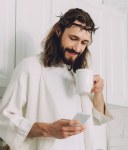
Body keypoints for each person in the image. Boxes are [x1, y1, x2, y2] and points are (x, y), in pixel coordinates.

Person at [0, 8, 112, 150]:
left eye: (84, 42)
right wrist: (48, 129)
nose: (78, 48)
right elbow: (4, 119)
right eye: (73, 38)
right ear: (59, 31)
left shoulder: (76, 77)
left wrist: (98, 92)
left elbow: (98, 119)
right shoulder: (30, 67)